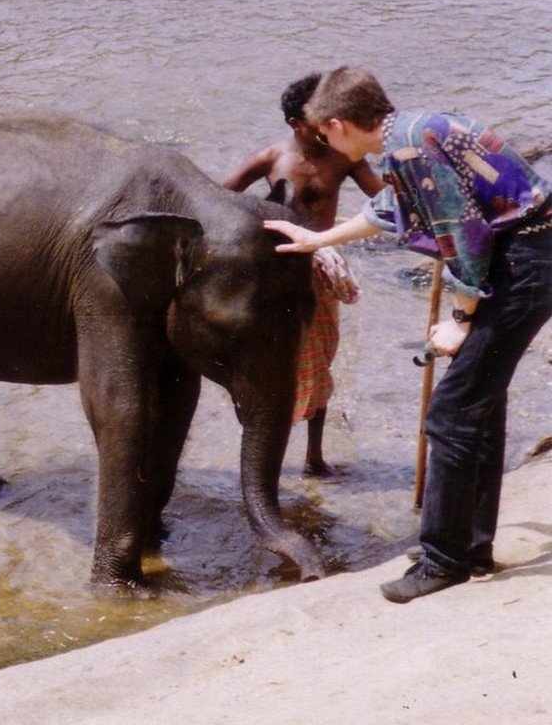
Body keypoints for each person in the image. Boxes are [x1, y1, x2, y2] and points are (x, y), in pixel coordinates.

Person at [264, 66, 552, 603]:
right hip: (531, 255)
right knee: (478, 405)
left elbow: (462, 233)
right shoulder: (412, 135)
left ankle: (444, 561)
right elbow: (391, 209)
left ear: (339, 124)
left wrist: (462, 320)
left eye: (324, 136)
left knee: (451, 414)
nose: (325, 146)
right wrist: (319, 238)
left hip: (524, 264)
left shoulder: (412, 147)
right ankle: (471, 548)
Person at [224, 73, 386, 475]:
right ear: (297, 124)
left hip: (319, 266)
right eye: (319, 119)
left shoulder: (345, 157)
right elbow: (222, 197)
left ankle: (314, 455)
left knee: (320, 358)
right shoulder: (271, 158)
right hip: (276, 269)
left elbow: (382, 197)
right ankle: (264, 453)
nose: (328, 125)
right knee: (274, 357)